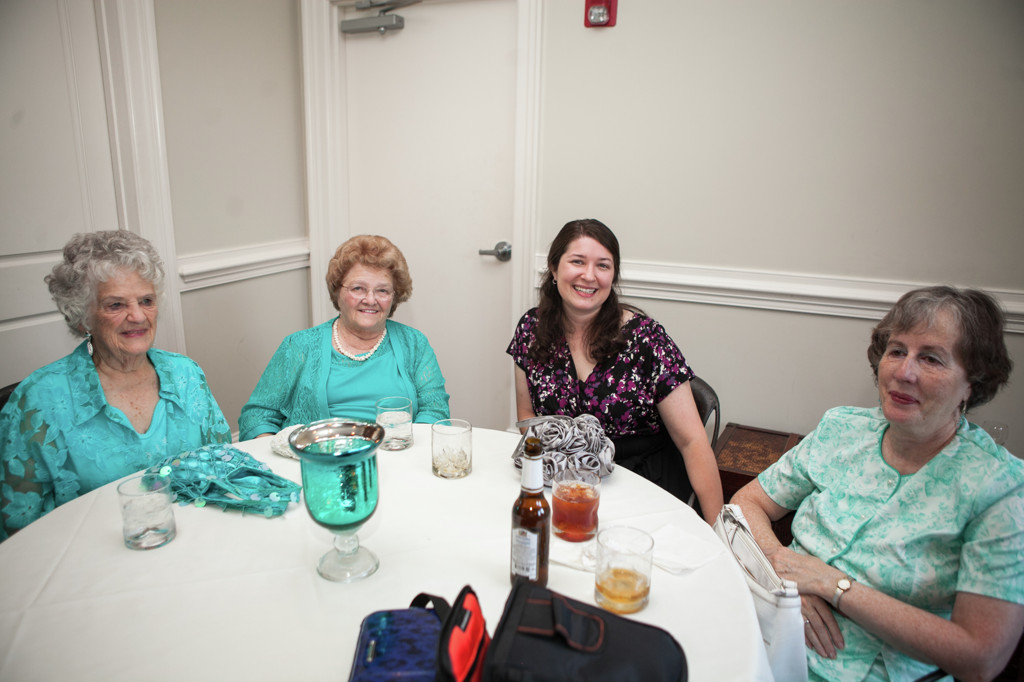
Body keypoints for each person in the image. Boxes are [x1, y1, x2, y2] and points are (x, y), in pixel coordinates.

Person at [733, 286, 1024, 681]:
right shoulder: (842, 429)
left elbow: (979, 658)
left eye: (931, 359)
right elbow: (749, 501)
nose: (904, 372)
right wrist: (782, 576)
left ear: (973, 382)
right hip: (767, 630)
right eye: (897, 351)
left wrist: (833, 584)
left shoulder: (1000, 488)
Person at [0, 231, 232, 542]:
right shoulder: (39, 399)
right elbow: (18, 529)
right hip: (89, 560)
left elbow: (225, 466)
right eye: (115, 305)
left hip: (195, 542)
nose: (137, 316)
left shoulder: (185, 373)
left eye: (146, 301)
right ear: (82, 316)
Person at [506, 219, 723, 522]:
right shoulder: (531, 329)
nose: (589, 275)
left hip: (643, 486)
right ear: (554, 269)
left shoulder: (646, 339)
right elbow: (528, 417)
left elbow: (692, 442)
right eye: (577, 261)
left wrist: (718, 531)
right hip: (561, 483)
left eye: (603, 266)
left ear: (613, 275)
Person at [239, 234, 449, 440]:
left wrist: (406, 453)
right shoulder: (298, 346)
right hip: (320, 457)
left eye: (382, 291)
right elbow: (256, 417)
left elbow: (435, 410)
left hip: (395, 453)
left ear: (394, 297)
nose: (370, 300)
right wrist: (284, 455)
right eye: (358, 288)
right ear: (337, 292)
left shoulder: (414, 344)